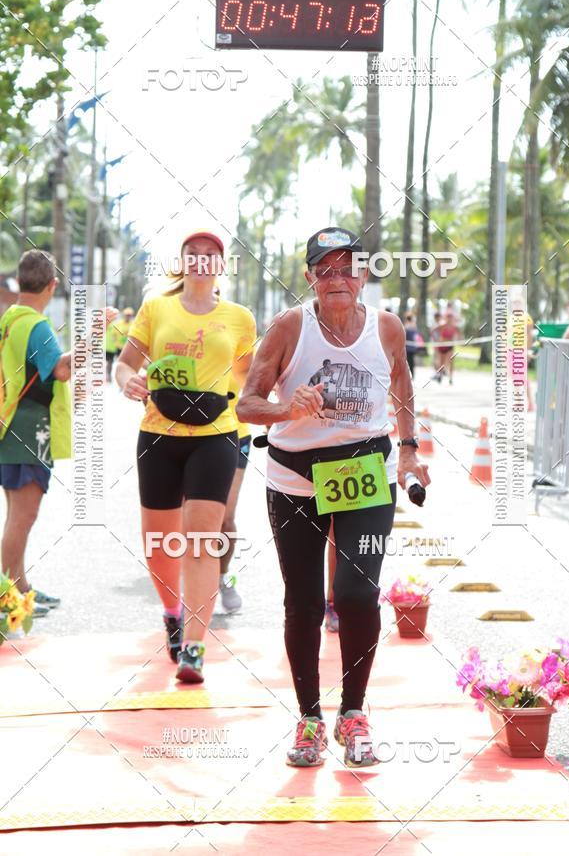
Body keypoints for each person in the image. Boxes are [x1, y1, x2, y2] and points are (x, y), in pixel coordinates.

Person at [237, 226, 430, 769]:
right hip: (295, 479)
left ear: (362, 275)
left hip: (366, 473)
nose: (337, 278)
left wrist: (409, 450)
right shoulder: (289, 327)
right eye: (326, 270)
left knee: (355, 593)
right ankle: (309, 719)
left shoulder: (386, 327)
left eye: (347, 268)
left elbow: (402, 384)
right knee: (302, 600)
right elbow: (247, 405)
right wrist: (287, 409)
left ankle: (354, 713)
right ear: (310, 277)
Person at [116, 230, 255, 683]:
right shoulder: (157, 307)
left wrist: (277, 408)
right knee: (158, 543)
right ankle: (173, 613)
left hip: (216, 436)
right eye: (192, 254)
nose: (201, 260)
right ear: (181, 261)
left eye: (210, 254)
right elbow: (125, 362)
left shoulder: (239, 318)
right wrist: (127, 380)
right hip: (159, 435)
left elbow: (251, 378)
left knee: (200, 538)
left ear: (222, 265)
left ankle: (194, 646)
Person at [0, 250, 114, 615]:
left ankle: (19, 589)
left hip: (10, 427)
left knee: (15, 515)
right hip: (29, 432)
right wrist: (95, 334)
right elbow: (62, 370)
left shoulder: (9, 320)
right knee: (23, 518)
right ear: (52, 285)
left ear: (20, 281)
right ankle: (6, 596)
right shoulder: (36, 326)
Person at [218, 368, 252, 614]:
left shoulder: (241, 343)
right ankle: (193, 585)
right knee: (192, 519)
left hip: (236, 434)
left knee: (225, 518)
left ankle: (222, 576)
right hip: (187, 433)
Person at [437, 310, 460, 384]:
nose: (449, 318)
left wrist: (457, 339)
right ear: (446, 317)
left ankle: (450, 377)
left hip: (450, 345)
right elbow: (433, 331)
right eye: (448, 317)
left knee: (451, 360)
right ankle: (440, 375)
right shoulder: (442, 325)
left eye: (451, 317)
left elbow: (459, 334)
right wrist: (438, 339)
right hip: (443, 345)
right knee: (442, 361)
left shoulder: (454, 326)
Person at [404, 313, 418, 378]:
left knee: (408, 361)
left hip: (407, 347)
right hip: (413, 346)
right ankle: (412, 374)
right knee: (412, 361)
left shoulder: (406, 326)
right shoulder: (414, 326)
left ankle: (409, 374)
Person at [429, 310, 443, 380]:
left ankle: (438, 374)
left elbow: (432, 332)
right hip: (436, 344)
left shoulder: (440, 325)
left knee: (437, 360)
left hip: (438, 344)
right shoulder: (437, 324)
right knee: (436, 360)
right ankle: (438, 373)